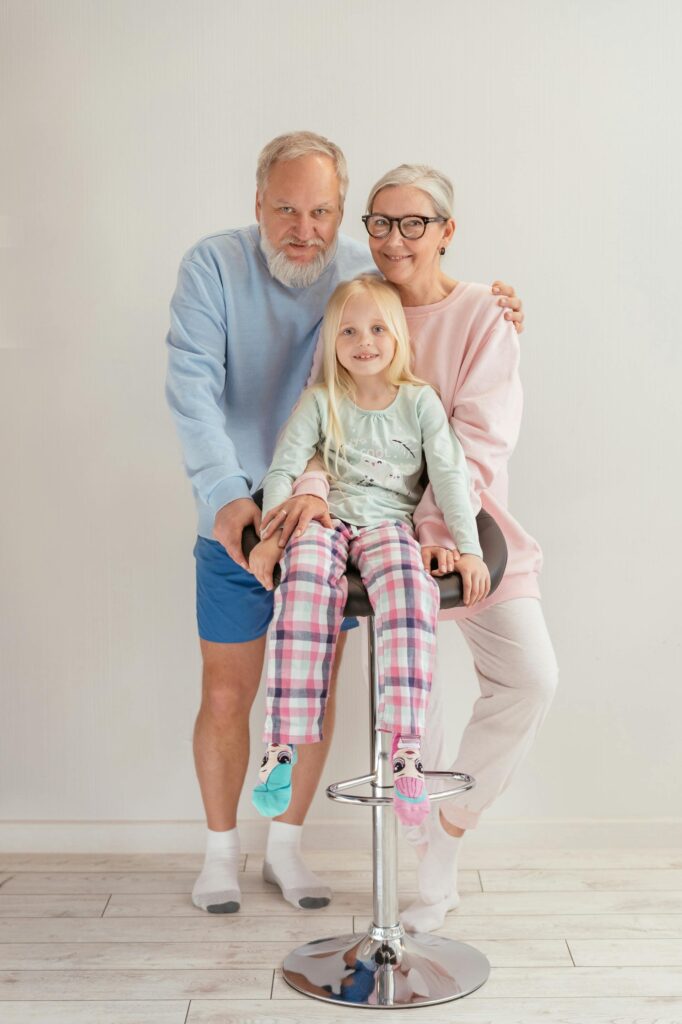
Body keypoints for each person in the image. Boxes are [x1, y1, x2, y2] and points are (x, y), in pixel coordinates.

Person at [165, 131, 526, 915]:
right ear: (258, 204)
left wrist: (494, 305)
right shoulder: (214, 268)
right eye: (287, 209)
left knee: (316, 683)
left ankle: (285, 851)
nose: (305, 228)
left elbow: (408, 335)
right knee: (229, 692)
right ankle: (221, 852)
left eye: (323, 210)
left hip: (339, 532)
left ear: (342, 215)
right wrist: (235, 498)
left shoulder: (360, 286)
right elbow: (192, 389)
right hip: (237, 520)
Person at [262, 163, 558, 932]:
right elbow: (322, 427)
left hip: (466, 533)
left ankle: (445, 838)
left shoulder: (485, 315)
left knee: (530, 677)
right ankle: (409, 829)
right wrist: (312, 497)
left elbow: (475, 449)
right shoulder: (362, 310)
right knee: (407, 689)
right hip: (373, 539)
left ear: (447, 231)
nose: (394, 238)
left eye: (414, 223)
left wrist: (438, 537)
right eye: (380, 222)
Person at [248, 275, 489, 834]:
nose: (365, 341)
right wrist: (271, 537)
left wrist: (468, 549)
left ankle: (407, 750)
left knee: (411, 593)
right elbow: (283, 469)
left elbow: (452, 479)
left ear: (398, 335)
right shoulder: (321, 400)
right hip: (327, 518)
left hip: (388, 526)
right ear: (333, 341)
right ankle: (280, 745)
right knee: (303, 586)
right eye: (350, 330)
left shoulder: (419, 402)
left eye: (378, 328)